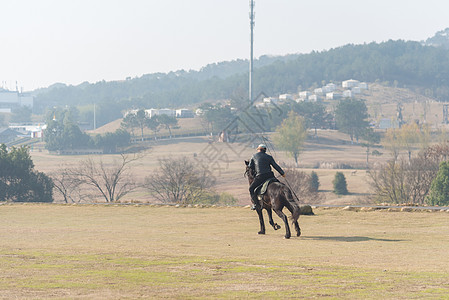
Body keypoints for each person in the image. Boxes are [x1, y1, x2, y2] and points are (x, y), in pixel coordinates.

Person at [248, 144, 285, 210]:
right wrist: (282, 173)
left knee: (251, 188)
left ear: (259, 150)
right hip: (270, 176)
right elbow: (275, 166)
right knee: (280, 186)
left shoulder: (254, 156)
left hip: (260, 177)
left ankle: (256, 204)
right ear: (265, 150)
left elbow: (250, 166)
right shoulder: (269, 157)